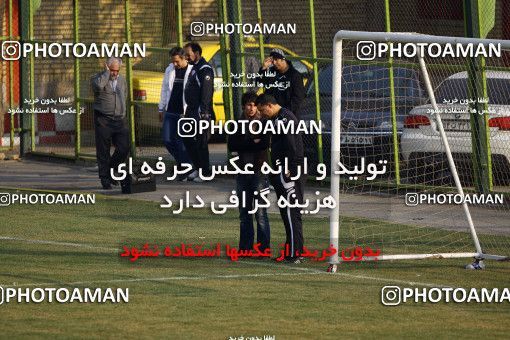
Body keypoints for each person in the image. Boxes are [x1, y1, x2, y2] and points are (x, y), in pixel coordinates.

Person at [255, 93, 305, 263]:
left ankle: (294, 253)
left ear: (269, 105)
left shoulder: (285, 119)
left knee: (291, 211)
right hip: (281, 169)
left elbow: (293, 146)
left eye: (262, 111)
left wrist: (290, 168)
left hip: (288, 171)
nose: (262, 115)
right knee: (287, 211)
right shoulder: (277, 119)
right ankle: (293, 249)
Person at [228, 92, 270, 252]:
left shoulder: (264, 123)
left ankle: (263, 249)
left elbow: (263, 144)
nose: (251, 108)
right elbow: (232, 145)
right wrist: (251, 141)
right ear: (244, 106)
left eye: (254, 105)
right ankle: (245, 248)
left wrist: (244, 143)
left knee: (260, 213)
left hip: (259, 172)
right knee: (244, 213)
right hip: (242, 172)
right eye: (248, 105)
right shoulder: (237, 123)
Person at [91, 57, 129, 190]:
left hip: (119, 119)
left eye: (116, 71)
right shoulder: (98, 78)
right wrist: (106, 74)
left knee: (124, 147)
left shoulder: (122, 80)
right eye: (112, 70)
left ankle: (112, 169)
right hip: (103, 119)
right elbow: (98, 86)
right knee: (103, 150)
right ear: (107, 67)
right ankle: (105, 179)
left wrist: (123, 113)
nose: (115, 73)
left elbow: (124, 95)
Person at [158, 47, 193, 181]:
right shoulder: (170, 69)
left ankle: (184, 168)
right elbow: (165, 88)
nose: (175, 64)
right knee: (167, 140)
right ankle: (186, 165)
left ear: (185, 58)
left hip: (183, 112)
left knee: (180, 141)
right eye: (173, 61)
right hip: (170, 110)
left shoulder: (191, 71)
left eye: (177, 61)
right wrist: (161, 108)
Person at [182, 42, 214, 182]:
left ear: (197, 53)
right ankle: (198, 168)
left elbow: (206, 93)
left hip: (200, 113)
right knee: (188, 139)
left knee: (201, 143)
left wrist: (204, 114)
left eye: (188, 54)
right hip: (191, 111)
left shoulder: (205, 69)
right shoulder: (195, 68)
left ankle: (205, 173)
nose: (186, 57)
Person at [258, 48, 306, 118]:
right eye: (272, 60)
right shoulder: (271, 72)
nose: (274, 63)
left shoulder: (295, 75)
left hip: (289, 115)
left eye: (276, 60)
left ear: (283, 59)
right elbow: (260, 82)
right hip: (272, 113)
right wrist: (264, 68)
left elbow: (298, 98)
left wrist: (284, 112)